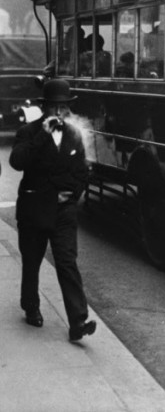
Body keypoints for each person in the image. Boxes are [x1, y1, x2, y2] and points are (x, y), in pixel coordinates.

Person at [9, 79, 96, 341]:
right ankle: (31, 306)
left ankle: (78, 322)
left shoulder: (73, 134)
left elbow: (82, 170)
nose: (59, 113)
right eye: (54, 107)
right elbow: (17, 161)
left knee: (67, 262)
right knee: (32, 261)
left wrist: (72, 193)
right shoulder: (29, 132)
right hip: (34, 210)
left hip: (63, 212)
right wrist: (43, 135)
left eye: (63, 108)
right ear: (44, 107)